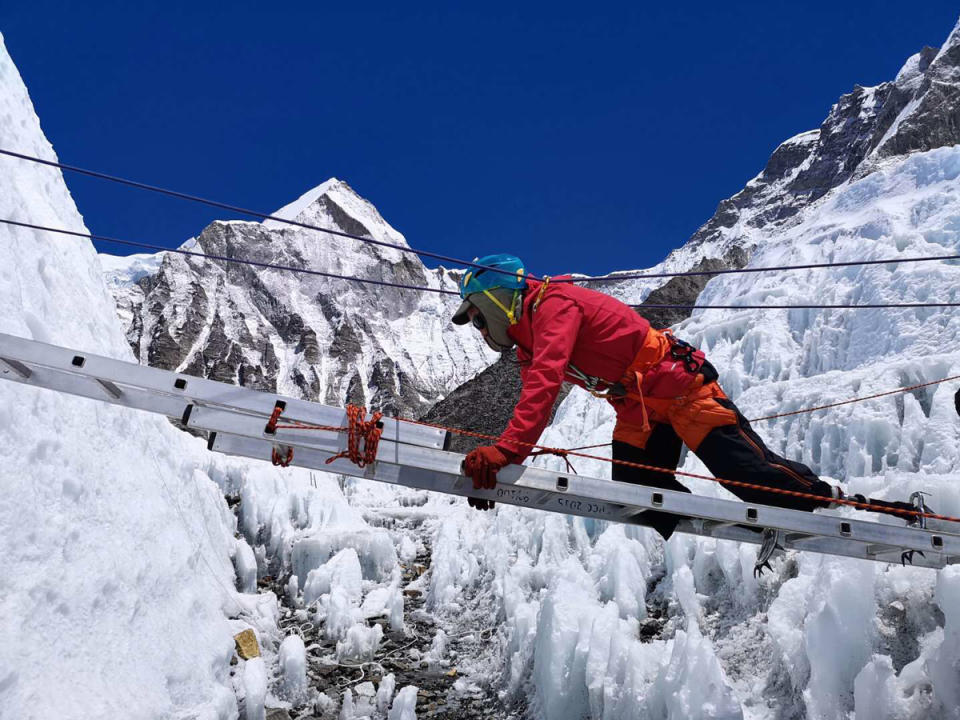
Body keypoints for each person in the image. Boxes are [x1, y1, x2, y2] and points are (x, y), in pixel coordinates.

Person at [452, 253, 927, 539]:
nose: (476, 328)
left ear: (495, 298)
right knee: (637, 490)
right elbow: (533, 395)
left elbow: (544, 386)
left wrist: (507, 451)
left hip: (680, 389)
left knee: (751, 477)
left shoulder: (553, 305)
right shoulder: (530, 340)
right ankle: (740, 524)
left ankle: (839, 502)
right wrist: (502, 474)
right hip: (639, 407)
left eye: (476, 317)